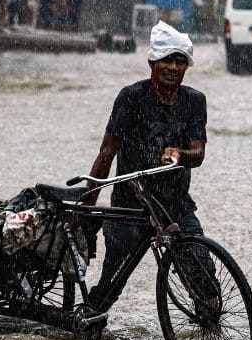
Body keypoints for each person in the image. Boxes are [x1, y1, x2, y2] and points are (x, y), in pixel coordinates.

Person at [83, 21, 208, 313]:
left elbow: (198, 152)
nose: (173, 68)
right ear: (152, 62)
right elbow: (106, 153)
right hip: (131, 207)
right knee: (110, 287)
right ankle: (89, 319)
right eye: (167, 60)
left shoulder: (194, 102)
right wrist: (88, 206)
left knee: (203, 277)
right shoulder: (131, 98)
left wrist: (180, 154)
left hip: (174, 206)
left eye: (180, 61)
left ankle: (208, 322)